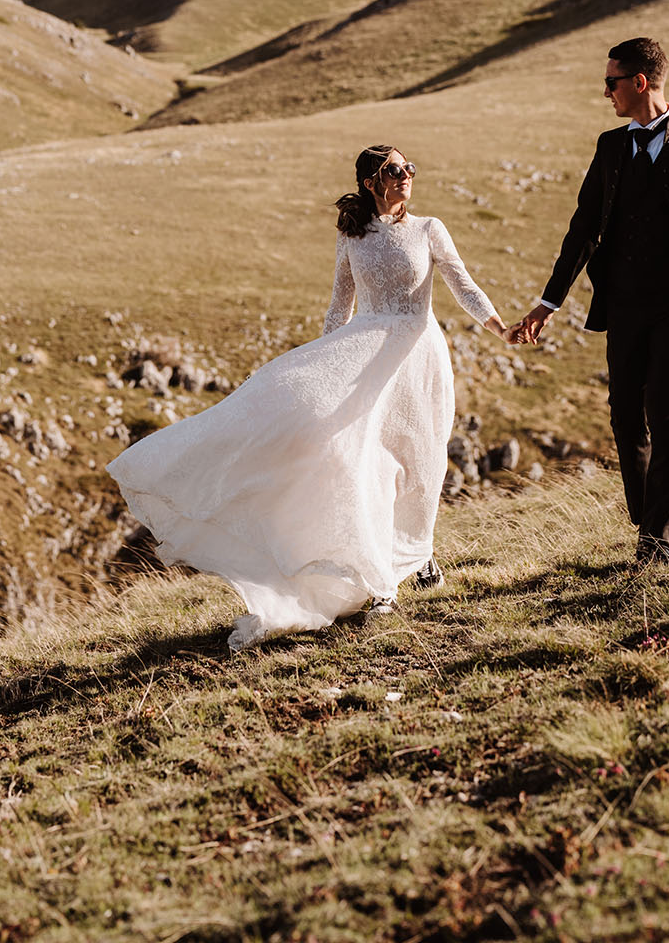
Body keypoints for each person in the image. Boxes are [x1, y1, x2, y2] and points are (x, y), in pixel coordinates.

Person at [108, 145, 505, 653]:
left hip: (419, 356)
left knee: (421, 462)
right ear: (369, 181)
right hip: (361, 356)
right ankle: (380, 573)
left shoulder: (430, 228)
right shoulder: (352, 236)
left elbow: (462, 284)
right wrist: (322, 366)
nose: (405, 176)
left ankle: (418, 554)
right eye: (393, 171)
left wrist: (499, 327)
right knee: (364, 460)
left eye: (409, 168)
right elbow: (340, 303)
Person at [512, 37, 669, 565]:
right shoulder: (611, 146)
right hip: (624, 307)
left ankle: (655, 541)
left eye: (611, 81)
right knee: (624, 420)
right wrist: (548, 303)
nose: (604, 91)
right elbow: (583, 229)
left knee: (668, 418)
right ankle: (646, 511)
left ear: (640, 82)